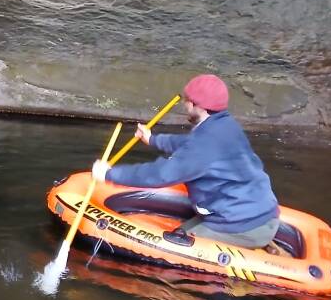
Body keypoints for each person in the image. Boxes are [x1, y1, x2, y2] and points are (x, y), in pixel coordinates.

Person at [91, 75, 280, 249]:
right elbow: (189, 146)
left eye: (188, 102)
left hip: (242, 223)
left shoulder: (205, 144)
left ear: (200, 107)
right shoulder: (224, 125)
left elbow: (160, 174)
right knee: (182, 231)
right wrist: (154, 139)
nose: (185, 105)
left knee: (173, 245)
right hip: (254, 212)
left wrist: (109, 174)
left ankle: (255, 247)